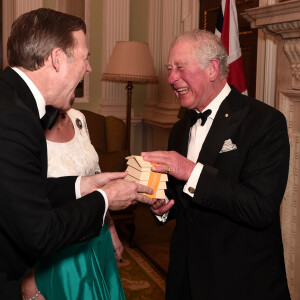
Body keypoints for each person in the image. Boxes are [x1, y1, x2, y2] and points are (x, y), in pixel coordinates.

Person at [0, 8, 154, 300]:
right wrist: (107, 198)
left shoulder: (12, 100)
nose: (89, 68)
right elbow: (40, 234)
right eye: (85, 57)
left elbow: (20, 191)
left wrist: (83, 185)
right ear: (57, 59)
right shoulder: (14, 118)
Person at [142, 29, 291, 300]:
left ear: (212, 69)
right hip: (184, 279)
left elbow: (260, 208)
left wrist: (189, 171)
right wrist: (162, 206)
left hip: (240, 282)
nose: (171, 78)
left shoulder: (264, 123)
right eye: (169, 69)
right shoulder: (179, 129)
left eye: (180, 68)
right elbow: (183, 199)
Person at [22, 101, 126, 299]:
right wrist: (28, 280)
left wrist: (111, 228)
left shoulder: (78, 117)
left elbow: (95, 177)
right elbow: (20, 211)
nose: (87, 69)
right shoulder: (25, 126)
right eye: (79, 67)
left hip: (98, 235)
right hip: (61, 252)